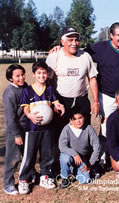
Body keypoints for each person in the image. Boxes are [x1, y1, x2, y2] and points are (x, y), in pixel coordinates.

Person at [46, 26, 99, 175]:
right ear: (62, 41)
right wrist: (54, 102)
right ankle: (57, 166)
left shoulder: (85, 56)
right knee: (59, 135)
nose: (74, 43)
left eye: (76, 39)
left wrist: (95, 101)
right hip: (61, 100)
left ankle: (85, 165)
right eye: (70, 39)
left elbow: (92, 78)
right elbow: (47, 83)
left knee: (83, 134)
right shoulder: (54, 56)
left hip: (81, 99)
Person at [18, 62, 65, 194]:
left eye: (44, 73)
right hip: (32, 128)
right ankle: (24, 180)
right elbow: (26, 108)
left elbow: (56, 103)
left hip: (48, 128)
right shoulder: (27, 90)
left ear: (48, 74)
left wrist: (59, 106)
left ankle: (45, 176)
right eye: (39, 73)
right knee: (29, 154)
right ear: (33, 74)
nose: (42, 75)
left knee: (47, 153)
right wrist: (30, 115)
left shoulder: (50, 89)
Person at [59, 107, 100, 189]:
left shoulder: (88, 129)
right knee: (65, 158)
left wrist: (91, 163)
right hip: (69, 156)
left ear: (84, 118)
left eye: (80, 118)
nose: (78, 121)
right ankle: (65, 178)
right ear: (71, 120)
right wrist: (74, 154)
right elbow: (62, 146)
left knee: (85, 180)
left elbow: (97, 146)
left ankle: (74, 171)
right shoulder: (67, 129)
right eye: (75, 119)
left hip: (82, 158)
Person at [2, 65, 28, 195]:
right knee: (13, 157)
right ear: (10, 78)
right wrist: (17, 135)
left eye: (22, 74)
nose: (21, 78)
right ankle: (8, 183)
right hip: (15, 131)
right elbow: (10, 118)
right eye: (17, 76)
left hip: (27, 128)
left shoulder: (26, 87)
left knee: (27, 154)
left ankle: (29, 175)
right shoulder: (10, 93)